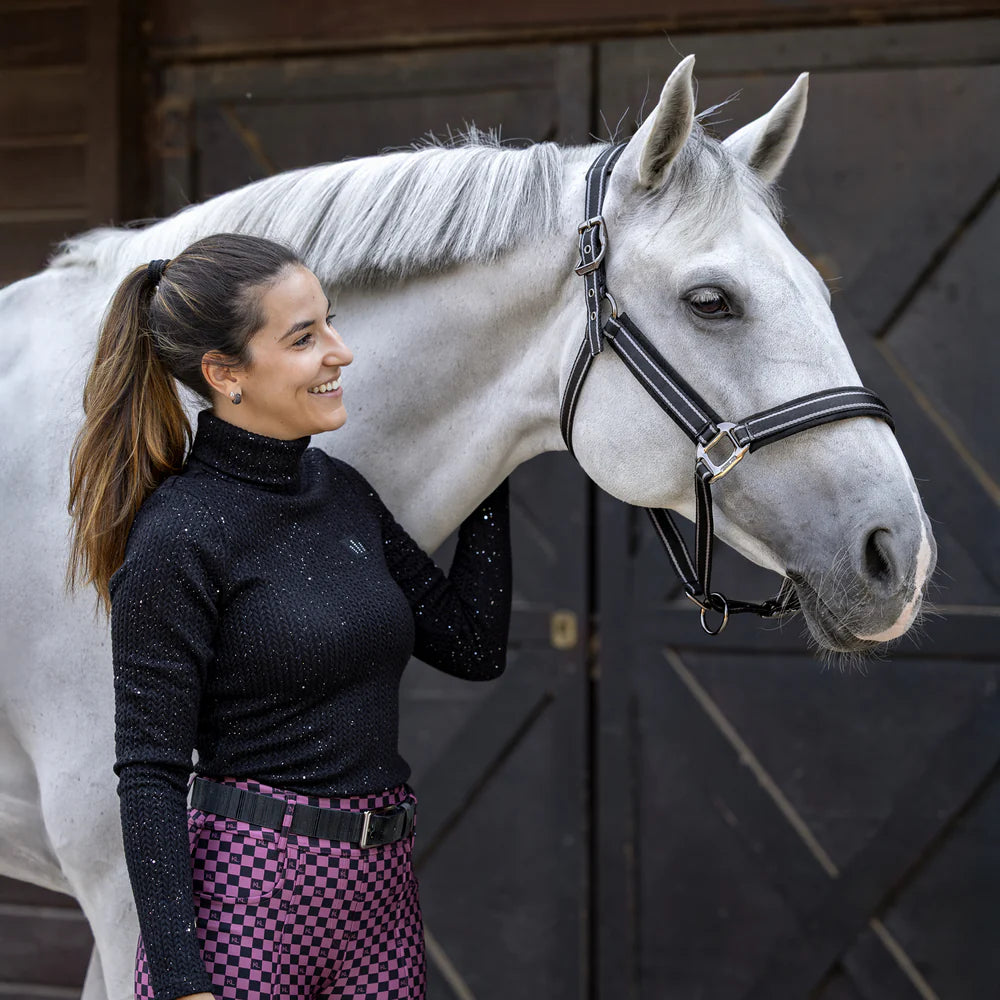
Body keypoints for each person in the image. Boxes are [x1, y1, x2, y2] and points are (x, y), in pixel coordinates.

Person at [67, 232, 511, 1000]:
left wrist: (494, 462)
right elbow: (149, 771)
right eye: (304, 337)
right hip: (248, 902)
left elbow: (473, 646)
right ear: (225, 373)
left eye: (330, 322)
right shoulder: (180, 535)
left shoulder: (340, 490)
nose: (341, 351)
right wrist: (181, 981)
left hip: (380, 898)